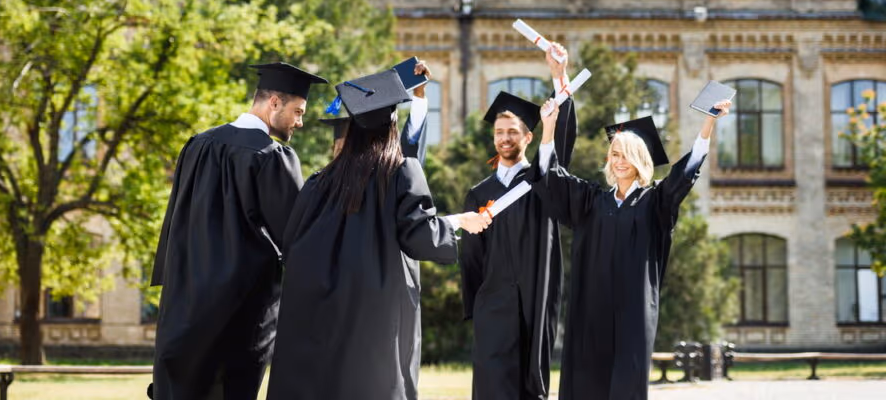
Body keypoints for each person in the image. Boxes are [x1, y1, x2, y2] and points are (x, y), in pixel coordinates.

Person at [267, 69, 492, 400]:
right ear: (391, 127)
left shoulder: (319, 182)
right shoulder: (400, 172)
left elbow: (291, 242)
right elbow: (419, 235)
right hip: (372, 317)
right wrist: (457, 221)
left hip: (316, 314)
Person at [149, 62, 327, 400]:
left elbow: (174, 223)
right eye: (298, 111)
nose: (300, 121)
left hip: (182, 312)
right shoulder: (272, 157)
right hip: (241, 316)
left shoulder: (197, 146)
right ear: (274, 102)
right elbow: (299, 237)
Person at [535, 97, 733, 400]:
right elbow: (553, 179)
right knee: (588, 378)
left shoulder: (654, 202)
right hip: (592, 307)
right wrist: (548, 128)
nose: (619, 160)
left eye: (627, 154)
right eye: (614, 154)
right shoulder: (591, 202)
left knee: (628, 379)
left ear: (640, 159)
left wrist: (709, 122)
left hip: (633, 312)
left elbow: (684, 175)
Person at [459, 46, 578, 400]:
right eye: (499, 132)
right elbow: (471, 259)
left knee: (532, 386)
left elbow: (563, 138)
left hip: (535, 298)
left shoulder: (543, 182)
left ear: (529, 137)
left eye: (513, 131)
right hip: (493, 303)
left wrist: (559, 77)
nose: (505, 138)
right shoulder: (479, 193)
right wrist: (476, 306)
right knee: (493, 386)